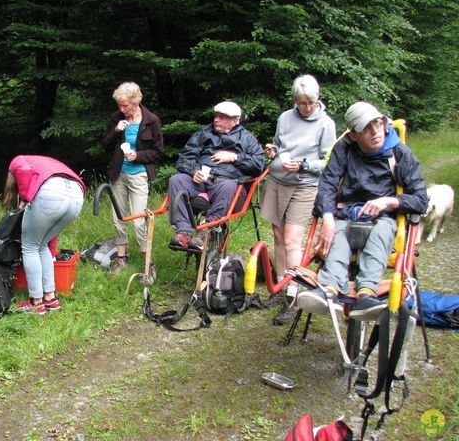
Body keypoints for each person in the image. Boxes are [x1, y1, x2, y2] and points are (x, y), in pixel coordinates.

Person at [297, 101, 427, 320]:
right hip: (347, 213)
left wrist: (389, 202)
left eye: (378, 123)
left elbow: (421, 199)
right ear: (354, 135)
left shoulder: (400, 153)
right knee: (336, 234)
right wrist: (327, 218)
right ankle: (329, 290)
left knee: (382, 232)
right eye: (366, 127)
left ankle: (366, 293)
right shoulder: (344, 149)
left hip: (383, 217)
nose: (375, 131)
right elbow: (327, 184)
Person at [261, 75, 337, 325]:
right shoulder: (285, 117)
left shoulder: (326, 124)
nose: (305, 107)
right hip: (278, 181)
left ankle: (294, 295)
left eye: (310, 103)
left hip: (304, 185)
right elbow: (279, 145)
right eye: (301, 103)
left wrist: (304, 165)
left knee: (293, 240)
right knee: (278, 237)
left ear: (317, 100)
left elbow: (328, 161)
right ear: (295, 100)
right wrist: (272, 151)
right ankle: (282, 287)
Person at [168, 101, 264, 250]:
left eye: (222, 117)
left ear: (235, 120)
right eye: (216, 116)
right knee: (177, 179)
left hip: (226, 182)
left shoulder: (247, 139)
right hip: (200, 181)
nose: (216, 120)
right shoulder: (203, 134)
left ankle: (207, 231)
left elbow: (258, 165)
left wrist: (235, 157)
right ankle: (183, 231)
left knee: (228, 185)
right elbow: (184, 159)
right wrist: (194, 172)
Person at [4, 155, 86, 315]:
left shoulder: (18, 160)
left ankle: (35, 302)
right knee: (41, 245)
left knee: (29, 247)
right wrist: (52, 249)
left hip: (50, 192)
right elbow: (48, 239)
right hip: (77, 194)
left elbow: (22, 169)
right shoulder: (44, 163)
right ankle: (50, 298)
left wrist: (25, 198)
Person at [102, 82, 164, 275]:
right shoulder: (116, 119)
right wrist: (116, 131)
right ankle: (121, 259)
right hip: (117, 174)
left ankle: (148, 263)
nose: (122, 109)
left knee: (138, 220)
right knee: (119, 218)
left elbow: (158, 152)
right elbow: (104, 144)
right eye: (119, 105)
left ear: (136, 101)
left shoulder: (151, 121)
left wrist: (138, 156)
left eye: (125, 105)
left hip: (139, 176)